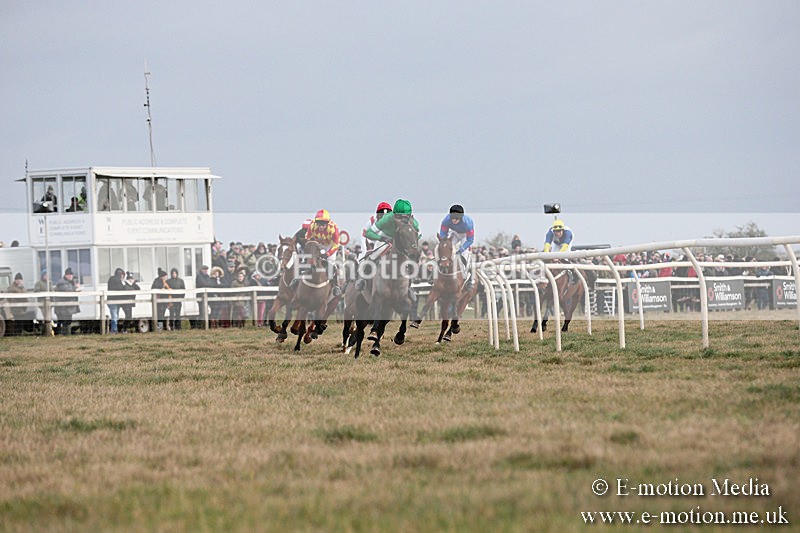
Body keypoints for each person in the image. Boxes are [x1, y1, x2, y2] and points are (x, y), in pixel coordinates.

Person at [362, 198, 421, 301]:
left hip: (401, 243)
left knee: (411, 259)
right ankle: (363, 280)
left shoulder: (413, 222)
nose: (402, 220)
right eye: (399, 217)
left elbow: (418, 235)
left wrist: (409, 245)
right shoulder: (387, 218)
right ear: (394, 215)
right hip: (386, 239)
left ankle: (409, 287)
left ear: (410, 215)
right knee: (373, 256)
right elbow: (368, 233)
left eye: (406, 217)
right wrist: (382, 238)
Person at [438, 204, 476, 290]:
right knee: (444, 248)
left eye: (456, 218)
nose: (454, 220)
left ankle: (468, 278)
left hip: (465, 236)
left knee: (464, 254)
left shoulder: (468, 223)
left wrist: (461, 249)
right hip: (454, 233)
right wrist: (444, 244)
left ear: (461, 217)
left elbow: (470, 240)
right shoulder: (446, 220)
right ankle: (437, 270)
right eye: (452, 218)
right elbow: (443, 235)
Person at [54, 268, 80, 335]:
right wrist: (75, 288)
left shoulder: (71, 282)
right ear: (66, 275)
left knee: (67, 321)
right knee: (64, 321)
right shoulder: (62, 282)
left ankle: (65, 334)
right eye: (69, 275)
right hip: (63, 307)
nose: (71, 276)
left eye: (71, 275)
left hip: (68, 306)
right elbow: (67, 291)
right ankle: (64, 334)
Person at [106, 268, 127, 333]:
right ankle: (114, 330)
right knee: (115, 316)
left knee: (115, 316)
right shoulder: (117, 280)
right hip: (113, 301)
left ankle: (114, 329)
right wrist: (124, 283)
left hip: (113, 300)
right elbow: (120, 288)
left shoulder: (112, 279)